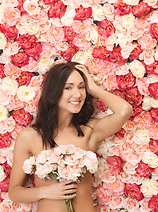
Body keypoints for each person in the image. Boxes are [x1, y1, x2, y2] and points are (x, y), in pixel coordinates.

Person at [8, 62, 133, 212]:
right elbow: (14, 192)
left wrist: (93, 88)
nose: (78, 94)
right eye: (68, 87)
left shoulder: (89, 132)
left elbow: (124, 111)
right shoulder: (30, 137)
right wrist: (45, 192)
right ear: (53, 92)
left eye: (81, 87)